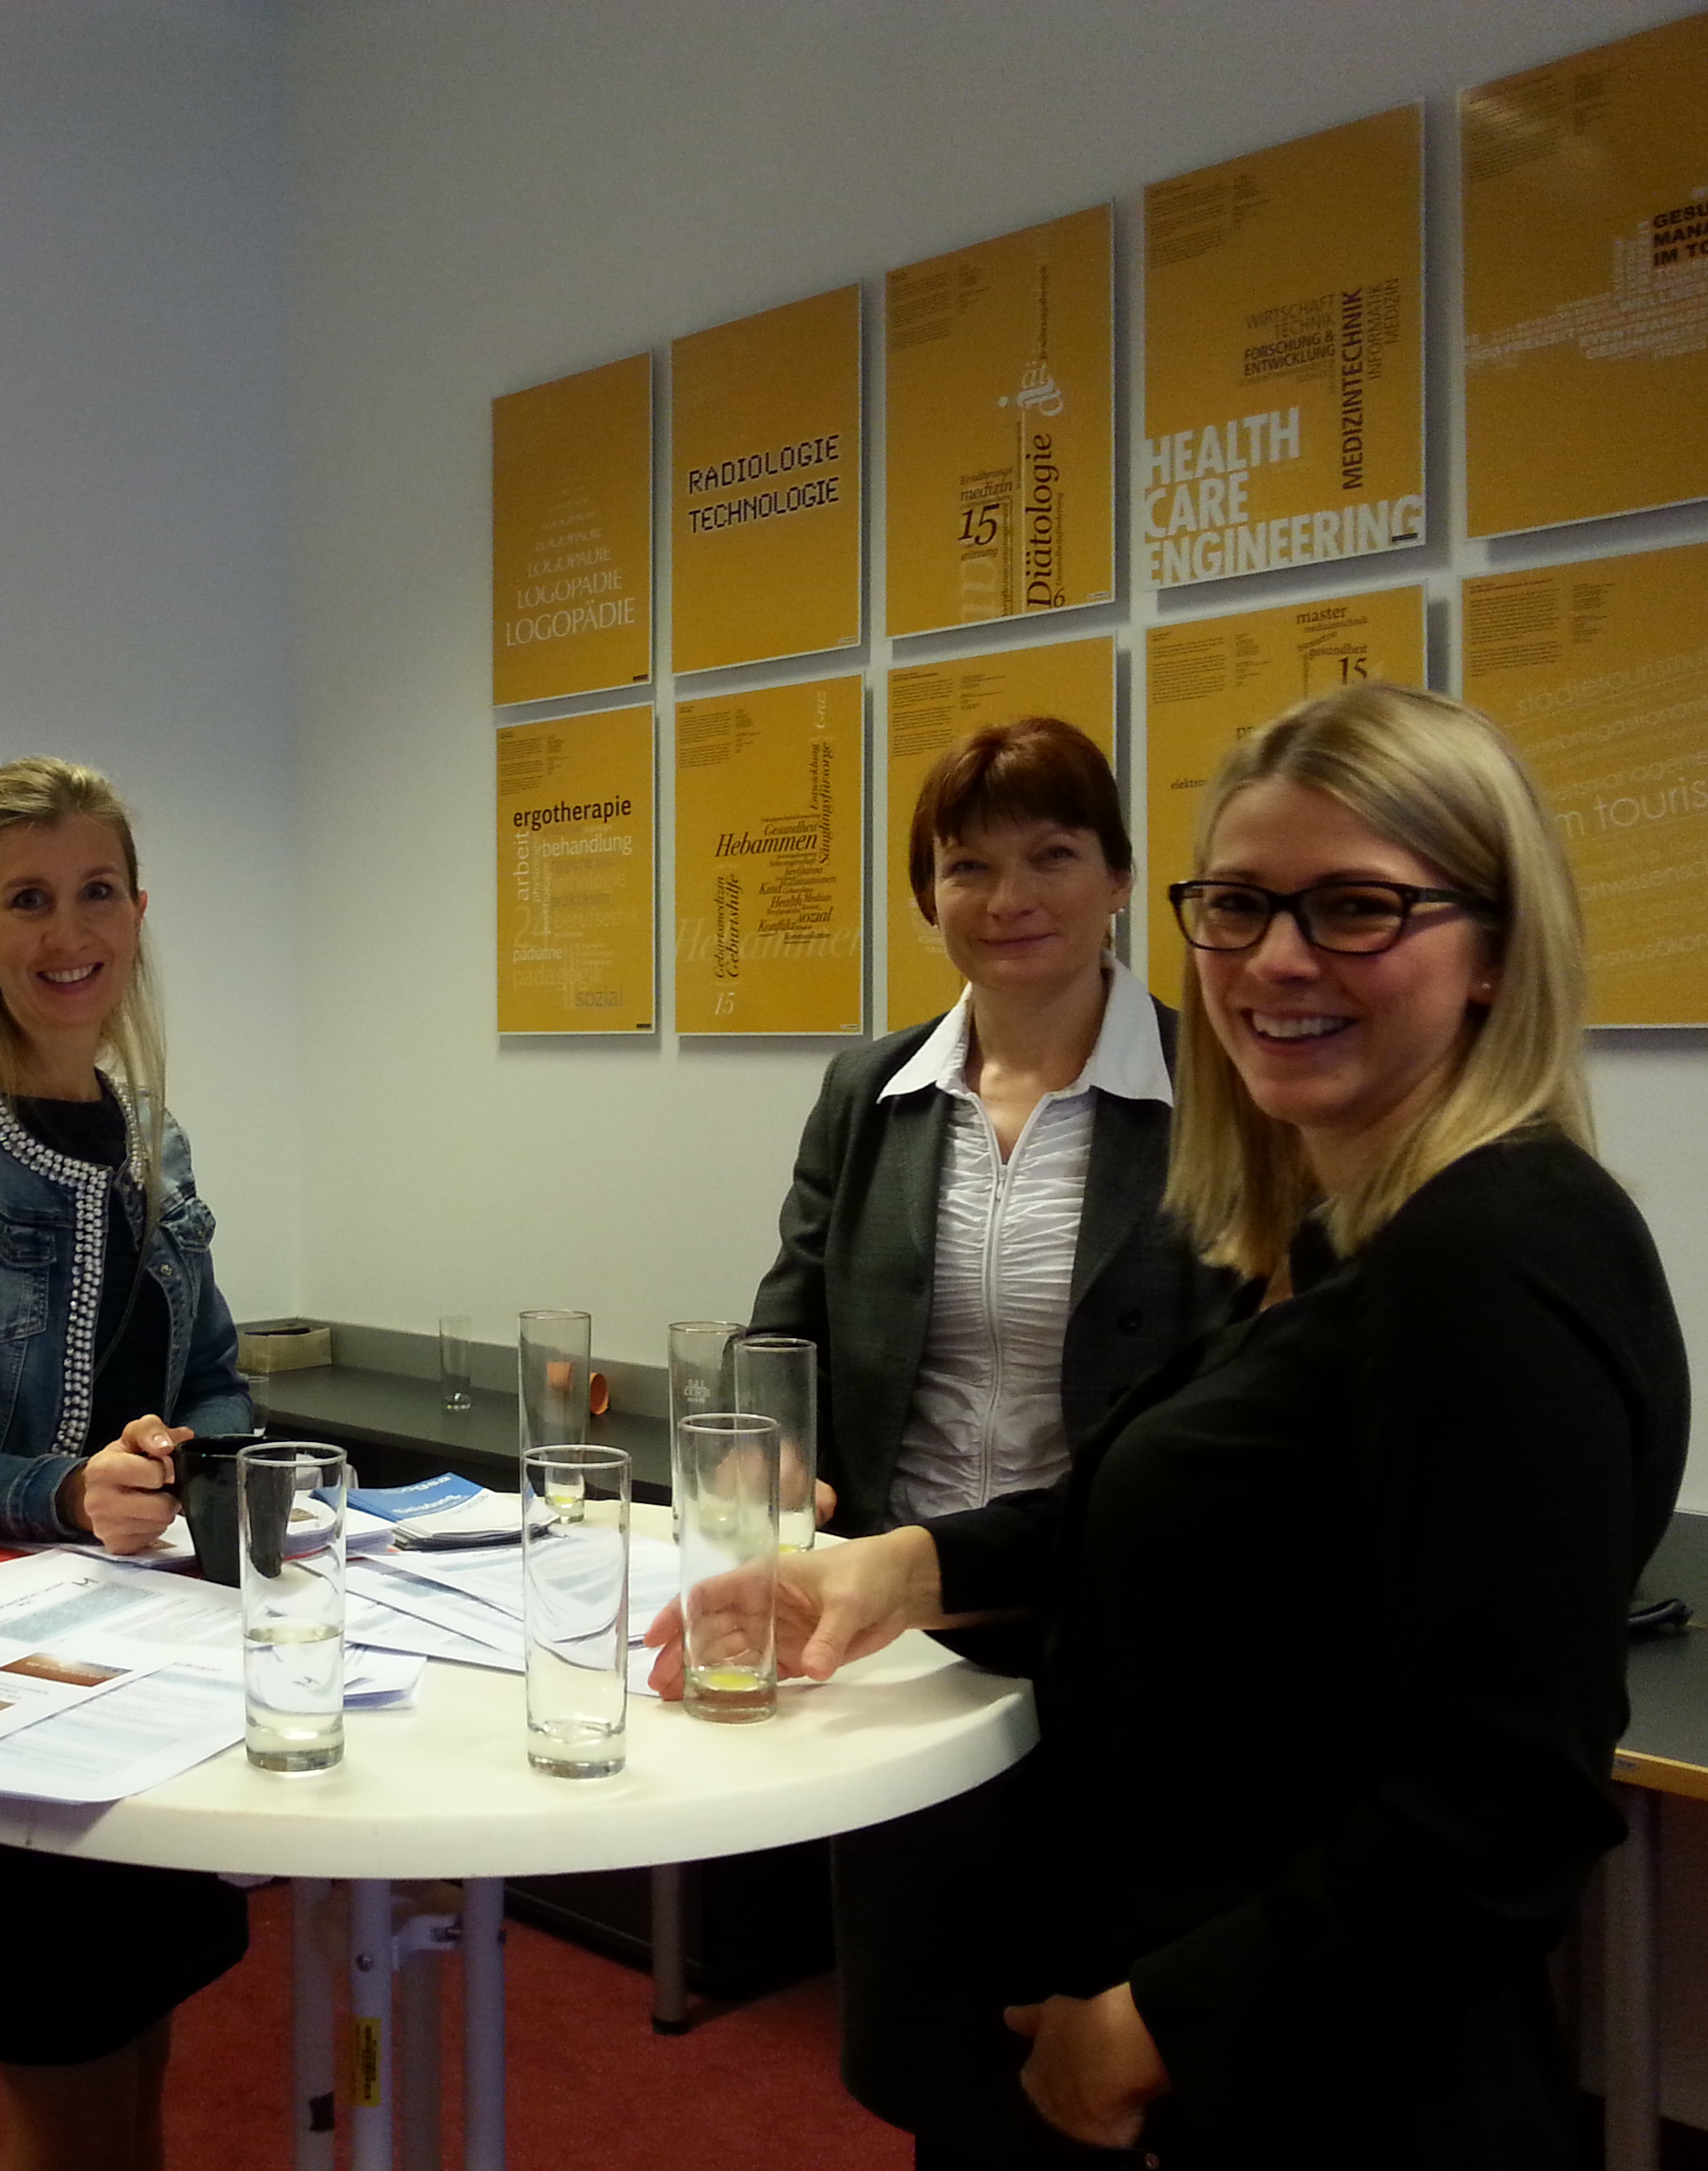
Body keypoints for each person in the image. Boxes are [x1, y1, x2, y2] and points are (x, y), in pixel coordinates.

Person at [656, 685, 1688, 2169]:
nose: (1276, 961)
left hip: (1328, 2079)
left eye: (1354, 909)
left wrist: (1165, 2028)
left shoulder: (1495, 1257)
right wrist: (897, 1571)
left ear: (1495, 953)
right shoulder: (1343, 1233)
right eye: (1244, 906)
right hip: (1162, 1953)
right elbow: (1178, 1509)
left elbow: (1501, 1811)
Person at [748, 716, 1235, 2167]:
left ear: (1115, 878)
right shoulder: (873, 1095)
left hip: (1123, 1645)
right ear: (927, 894)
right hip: (913, 1636)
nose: (1008, 895)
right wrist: (775, 1481)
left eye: (1051, 855)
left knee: (1100, 2057)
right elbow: (789, 1336)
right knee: (939, 2055)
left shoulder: (1222, 1091)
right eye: (969, 865)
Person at [0, 756, 254, 2171]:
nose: (66, 934)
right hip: (12, 1687)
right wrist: (64, 1492)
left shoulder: (158, 1136)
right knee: (65, 2097)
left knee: (137, 2066)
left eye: (92, 893)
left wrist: (204, 1458)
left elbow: (212, 1376)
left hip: (172, 1664)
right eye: (25, 899)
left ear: (137, 911)